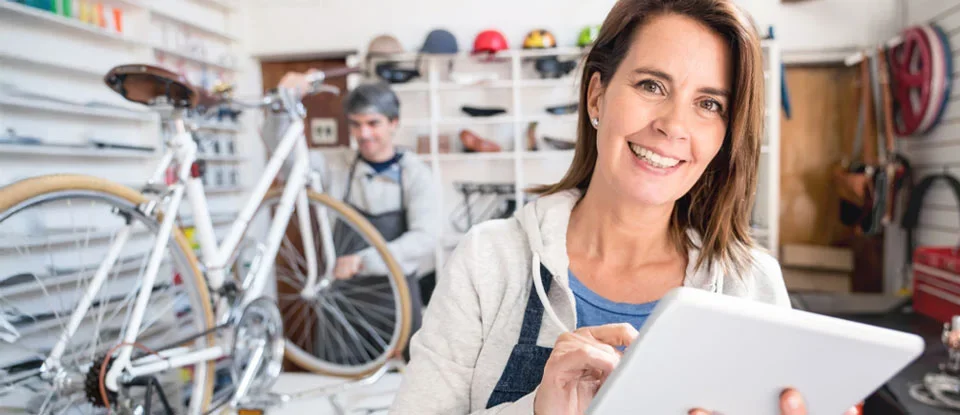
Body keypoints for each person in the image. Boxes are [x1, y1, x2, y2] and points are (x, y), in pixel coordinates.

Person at [390, 1, 856, 414]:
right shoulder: (488, 262)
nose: (674, 126)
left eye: (709, 104)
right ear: (597, 95)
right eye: (652, 85)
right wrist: (536, 411)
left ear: (725, 135)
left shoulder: (749, 283)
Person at [273, 75, 440, 347]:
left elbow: (425, 238)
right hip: (343, 301)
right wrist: (283, 103)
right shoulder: (335, 163)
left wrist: (364, 261)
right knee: (342, 382)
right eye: (356, 125)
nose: (364, 134)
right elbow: (287, 159)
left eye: (373, 123)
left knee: (403, 383)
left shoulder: (416, 173)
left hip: (396, 300)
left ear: (393, 123)